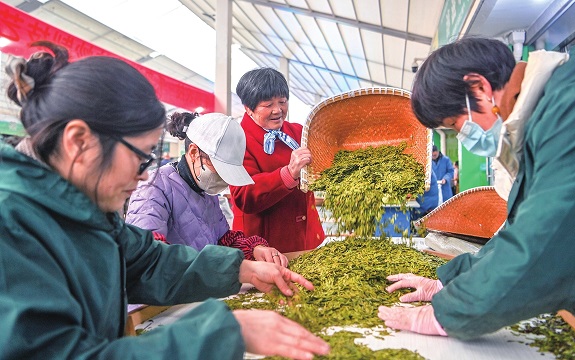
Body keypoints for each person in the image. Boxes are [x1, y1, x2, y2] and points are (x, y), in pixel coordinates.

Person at [0, 41, 329, 359]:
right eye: (140, 158)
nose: (144, 175)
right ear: (79, 142)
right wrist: (225, 331)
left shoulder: (86, 205)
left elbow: (148, 261)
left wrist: (241, 269)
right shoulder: (12, 228)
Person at [378, 37, 575, 340]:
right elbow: (519, 230)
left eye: (455, 124)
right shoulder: (546, 117)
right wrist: (448, 283)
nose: (463, 135)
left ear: (479, 88)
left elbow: (543, 241)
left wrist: (449, 313)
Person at [126, 111, 288, 266]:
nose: (223, 178)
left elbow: (223, 240)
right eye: (219, 167)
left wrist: (254, 250)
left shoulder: (205, 191)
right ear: (194, 152)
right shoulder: (153, 188)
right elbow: (148, 255)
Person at [230, 67, 325, 253]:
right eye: (268, 105)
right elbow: (244, 196)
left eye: (282, 102)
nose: (278, 110)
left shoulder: (298, 132)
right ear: (248, 108)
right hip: (264, 244)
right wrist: (288, 174)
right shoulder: (237, 140)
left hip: (305, 236)